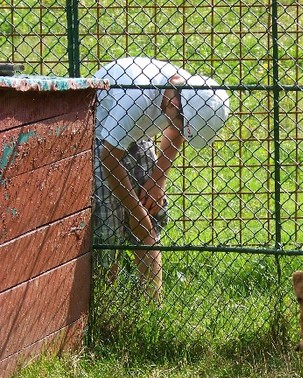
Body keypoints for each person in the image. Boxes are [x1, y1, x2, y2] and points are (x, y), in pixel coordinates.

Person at [93, 56, 230, 301]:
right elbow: (109, 158)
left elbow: (176, 130)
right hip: (99, 135)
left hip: (136, 133)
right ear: (176, 102)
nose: (178, 128)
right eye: (179, 121)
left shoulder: (188, 93)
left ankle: (152, 305)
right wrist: (135, 213)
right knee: (109, 228)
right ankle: (106, 301)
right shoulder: (137, 96)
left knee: (151, 217)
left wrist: (158, 180)